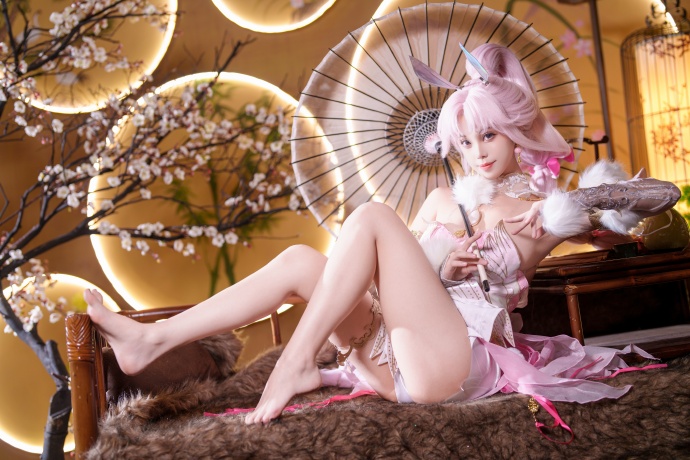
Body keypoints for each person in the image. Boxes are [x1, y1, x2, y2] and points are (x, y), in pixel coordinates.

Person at [85, 44, 680, 426]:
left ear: (514, 131)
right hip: (392, 355)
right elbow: (394, 285)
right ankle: (152, 340)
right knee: (300, 260)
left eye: (489, 136)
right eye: (465, 141)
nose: (476, 153)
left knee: (371, 216)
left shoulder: (543, 210)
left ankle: (294, 362)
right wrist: (440, 268)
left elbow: (663, 197)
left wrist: (581, 202)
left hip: (454, 364)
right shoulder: (444, 201)